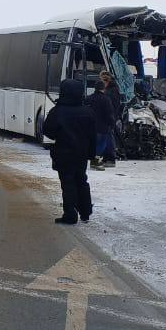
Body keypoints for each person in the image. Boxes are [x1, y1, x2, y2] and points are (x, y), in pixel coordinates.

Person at [41, 78, 96, 224]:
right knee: (82, 180)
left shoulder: (57, 111)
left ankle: (70, 214)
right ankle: (85, 211)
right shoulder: (88, 111)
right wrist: (91, 153)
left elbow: (48, 131)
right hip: (81, 155)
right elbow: (93, 135)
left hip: (63, 154)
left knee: (68, 183)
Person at [88, 77, 117, 169]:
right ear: (103, 88)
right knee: (101, 145)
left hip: (91, 126)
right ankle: (95, 161)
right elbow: (109, 113)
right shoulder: (106, 99)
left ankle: (93, 160)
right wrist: (112, 124)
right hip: (102, 127)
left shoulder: (89, 98)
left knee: (93, 144)